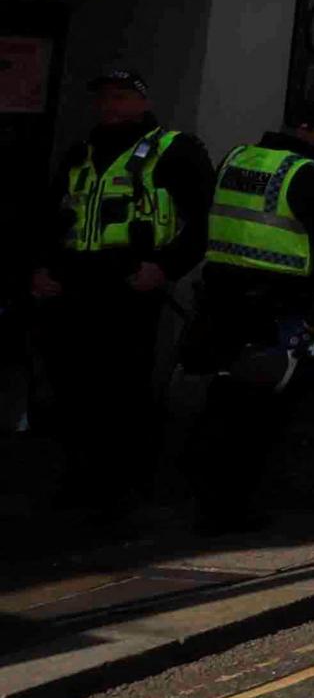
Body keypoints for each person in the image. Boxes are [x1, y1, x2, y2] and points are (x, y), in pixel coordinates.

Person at [29, 69, 213, 534]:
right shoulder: (82, 151)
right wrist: (41, 269)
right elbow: (53, 215)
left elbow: (203, 220)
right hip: (74, 284)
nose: (109, 105)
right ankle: (82, 479)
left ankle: (123, 488)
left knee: (123, 388)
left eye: (121, 96)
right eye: (104, 97)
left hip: (129, 287)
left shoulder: (174, 150)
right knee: (73, 387)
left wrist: (165, 267)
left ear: (141, 102)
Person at [181, 95, 314, 531]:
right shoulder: (309, 174)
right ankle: (234, 506)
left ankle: (205, 498)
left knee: (222, 400)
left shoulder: (236, 157)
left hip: (222, 299)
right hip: (277, 305)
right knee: (258, 414)